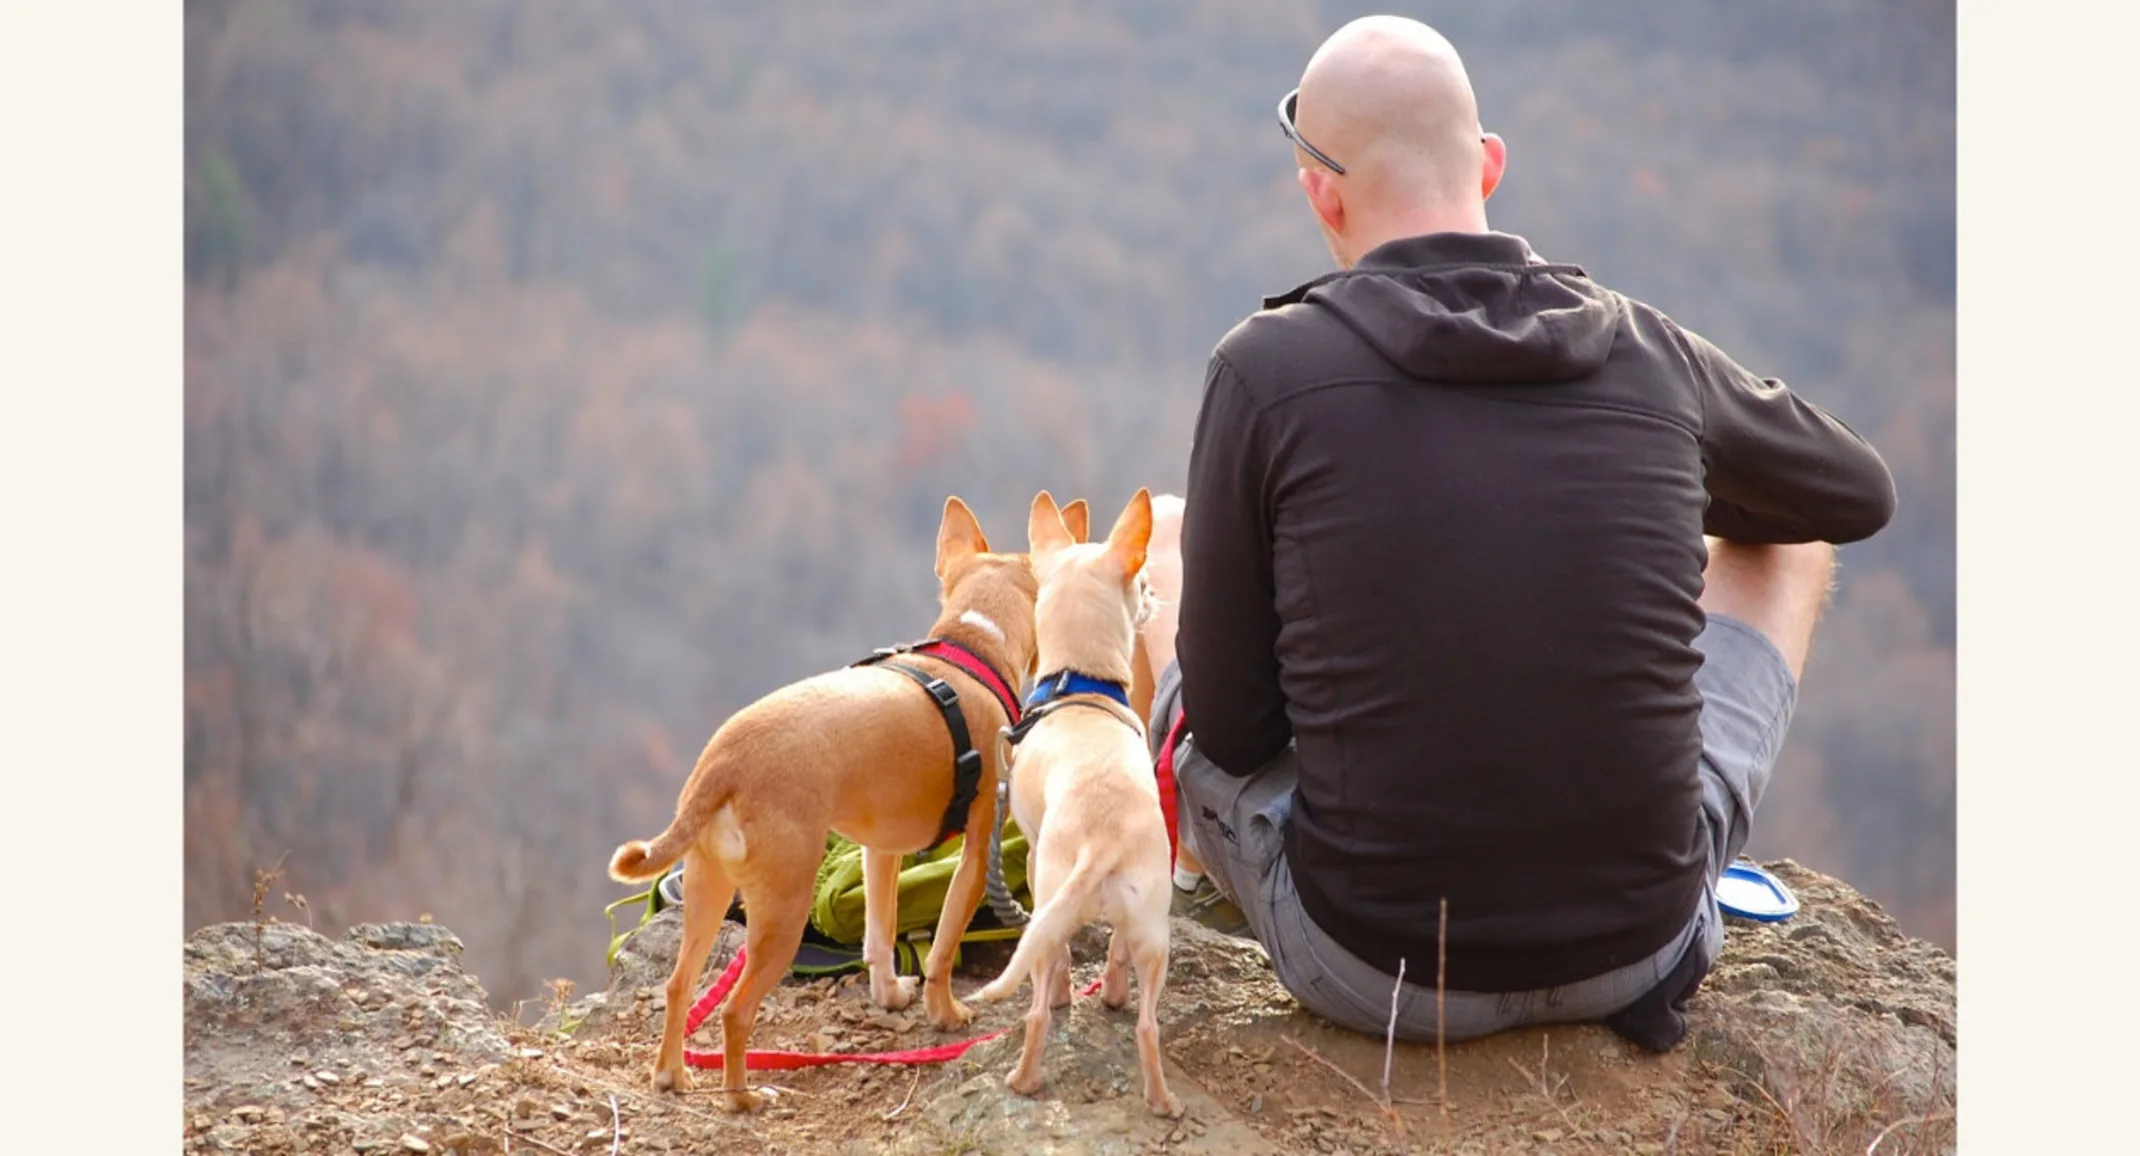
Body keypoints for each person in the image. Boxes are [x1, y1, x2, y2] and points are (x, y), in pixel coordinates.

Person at [1147, 15, 1897, 1051]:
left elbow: (1229, 733)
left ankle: (1192, 882)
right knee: (1791, 539)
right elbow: (1850, 495)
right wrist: (1645, 487)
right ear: (1489, 164)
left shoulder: (1264, 372)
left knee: (1169, 540)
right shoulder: (1645, 352)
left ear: (1320, 189)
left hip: (1373, 966)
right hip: (1640, 945)